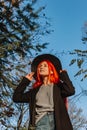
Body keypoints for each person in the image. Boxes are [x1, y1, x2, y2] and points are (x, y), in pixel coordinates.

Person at [13, 54, 75, 130]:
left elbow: (70, 91)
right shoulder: (35, 91)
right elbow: (16, 97)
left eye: (45, 65)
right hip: (39, 121)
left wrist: (63, 75)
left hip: (54, 120)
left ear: (52, 71)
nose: (41, 67)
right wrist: (25, 81)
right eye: (40, 66)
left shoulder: (58, 87)